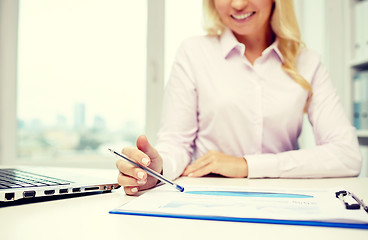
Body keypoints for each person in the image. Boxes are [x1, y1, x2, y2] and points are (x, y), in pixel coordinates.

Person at [116, 0, 362, 195]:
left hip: (282, 198)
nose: (237, 4)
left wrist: (246, 165)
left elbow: (347, 155)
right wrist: (156, 168)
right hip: (206, 197)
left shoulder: (308, 62)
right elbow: (176, 144)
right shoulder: (193, 53)